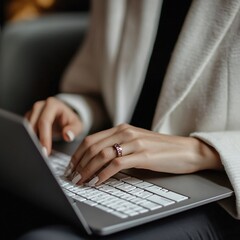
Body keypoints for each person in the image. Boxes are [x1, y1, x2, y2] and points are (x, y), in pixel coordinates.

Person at [22, 0, 240, 239]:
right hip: (119, 173)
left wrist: (202, 151)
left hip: (222, 194)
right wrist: (74, 112)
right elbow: (96, 89)